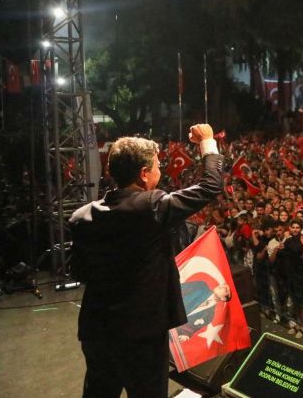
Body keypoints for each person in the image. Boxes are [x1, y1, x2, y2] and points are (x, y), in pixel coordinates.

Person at [70, 124, 223, 398]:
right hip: (142, 335)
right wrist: (208, 143)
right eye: (157, 166)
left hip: (97, 329)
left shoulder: (81, 217)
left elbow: (78, 270)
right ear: (143, 174)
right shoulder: (151, 206)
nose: (160, 172)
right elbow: (211, 186)